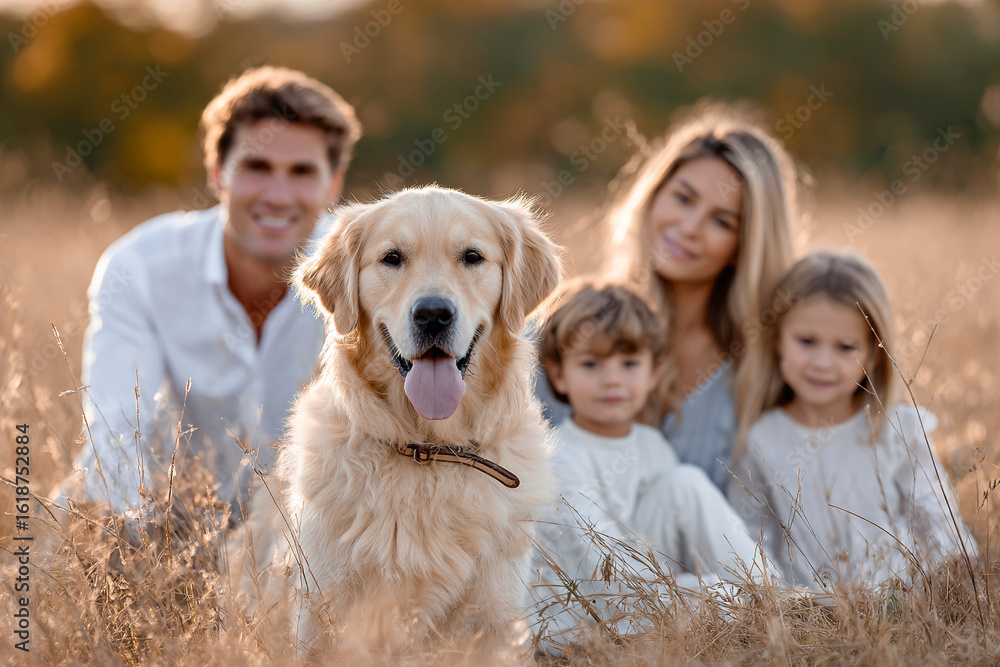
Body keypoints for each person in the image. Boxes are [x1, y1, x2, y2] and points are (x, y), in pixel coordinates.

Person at [65, 66, 362, 520]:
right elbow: (117, 434)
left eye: (302, 171)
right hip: (173, 520)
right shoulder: (140, 268)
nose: (278, 195)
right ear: (217, 173)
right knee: (68, 512)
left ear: (333, 184)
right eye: (256, 167)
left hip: (319, 529)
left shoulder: (372, 270)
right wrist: (138, 555)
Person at [537, 102, 798, 490]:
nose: (689, 227)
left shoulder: (764, 370)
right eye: (683, 198)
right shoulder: (554, 330)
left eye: (721, 221)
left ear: (744, 245)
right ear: (653, 195)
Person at [530, 281, 764, 646]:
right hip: (582, 616)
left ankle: (771, 592)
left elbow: (671, 538)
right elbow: (603, 571)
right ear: (559, 374)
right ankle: (749, 601)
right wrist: (705, 591)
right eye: (591, 364)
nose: (612, 380)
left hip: (647, 595)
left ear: (654, 371)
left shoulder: (651, 445)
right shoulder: (561, 455)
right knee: (724, 597)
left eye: (629, 363)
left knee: (685, 482)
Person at [726, 251, 974, 590]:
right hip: (805, 611)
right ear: (777, 339)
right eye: (807, 341)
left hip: (899, 603)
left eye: (845, 347)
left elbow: (942, 528)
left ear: (874, 352)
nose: (822, 363)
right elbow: (750, 540)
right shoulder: (762, 438)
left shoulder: (898, 427)